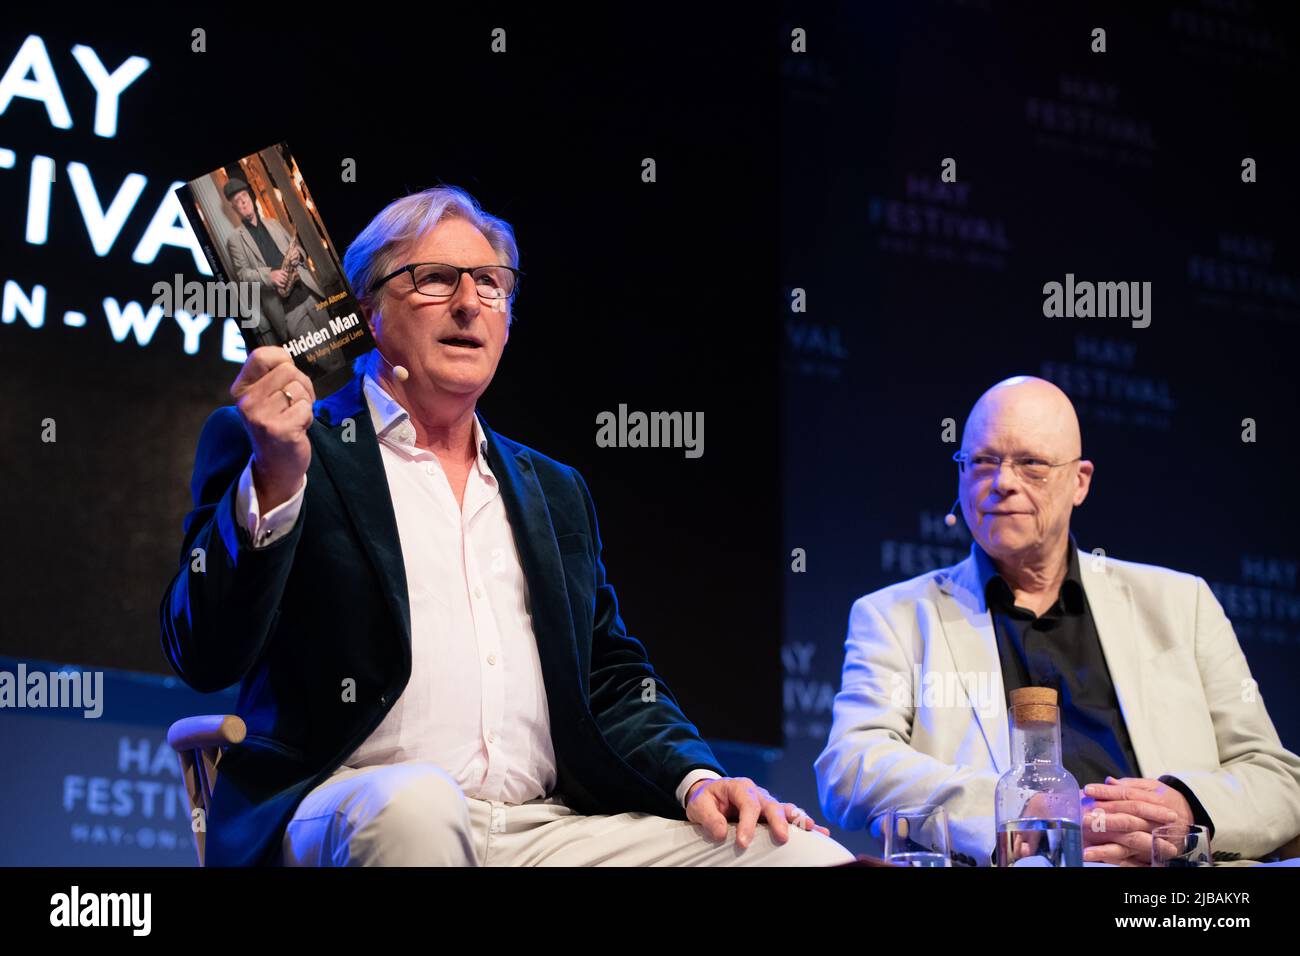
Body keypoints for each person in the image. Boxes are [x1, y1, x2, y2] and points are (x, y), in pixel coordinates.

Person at [161, 184, 853, 867]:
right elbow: (204, 651)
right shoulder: (290, 445)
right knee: (419, 806)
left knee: (799, 861)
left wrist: (695, 779)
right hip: (349, 803)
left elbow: (607, 676)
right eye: (434, 279)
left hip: (542, 828)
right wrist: (276, 476)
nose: (469, 303)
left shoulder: (553, 490)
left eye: (491, 285)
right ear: (366, 309)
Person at [816, 375, 1300, 865]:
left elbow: (1276, 777)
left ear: (1080, 481)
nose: (1002, 481)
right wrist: (1025, 811)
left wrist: (1185, 806)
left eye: (1030, 464)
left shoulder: (1180, 603)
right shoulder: (897, 615)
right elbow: (851, 765)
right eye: (982, 461)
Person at [223, 177, 347, 376]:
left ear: (251, 197)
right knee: (324, 359)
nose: (243, 202)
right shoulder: (234, 240)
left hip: (308, 293)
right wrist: (268, 276)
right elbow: (243, 275)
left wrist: (299, 253)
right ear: (234, 207)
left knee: (338, 348)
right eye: (237, 201)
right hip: (287, 310)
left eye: (244, 196)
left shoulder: (272, 223)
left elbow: (295, 247)